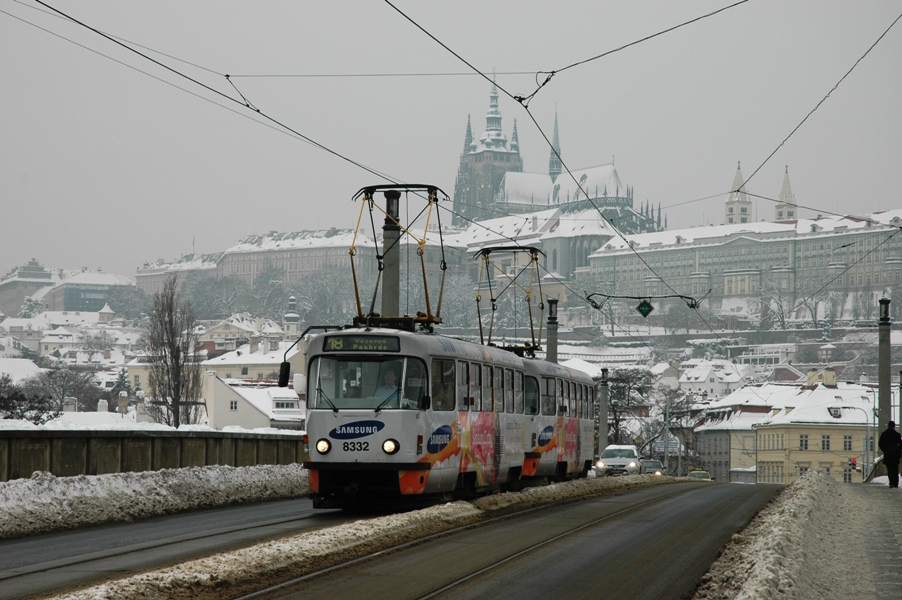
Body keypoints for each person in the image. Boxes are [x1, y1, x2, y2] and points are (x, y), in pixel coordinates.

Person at [878, 420, 902, 488]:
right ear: (894, 426)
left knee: (890, 468)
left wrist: (885, 449)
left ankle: (891, 482)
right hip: (895, 454)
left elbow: (880, 443)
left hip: (888, 453)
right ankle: (895, 483)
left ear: (888, 426)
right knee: (895, 468)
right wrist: (898, 451)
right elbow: (901, 444)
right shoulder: (897, 435)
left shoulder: (884, 434)